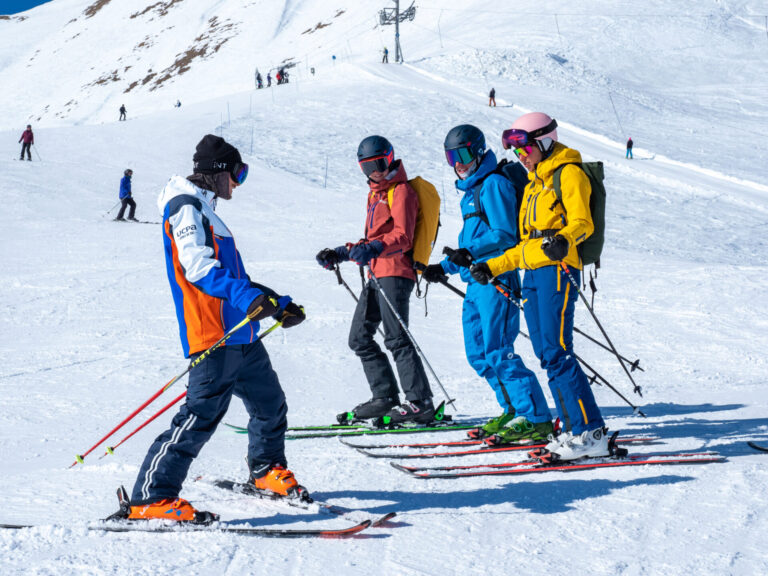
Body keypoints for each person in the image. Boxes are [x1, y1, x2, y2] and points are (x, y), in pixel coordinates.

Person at [123, 135, 307, 522]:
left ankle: (266, 470)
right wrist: (245, 299)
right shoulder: (186, 207)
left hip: (241, 335)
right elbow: (199, 268)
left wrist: (275, 304)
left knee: (270, 405)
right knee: (199, 417)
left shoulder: (206, 209)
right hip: (213, 334)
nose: (239, 182)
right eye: (237, 173)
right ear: (218, 172)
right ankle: (150, 497)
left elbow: (233, 274)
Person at [470, 112, 609, 460]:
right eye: (514, 148)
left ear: (545, 140)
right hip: (534, 273)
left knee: (557, 352)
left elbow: (582, 222)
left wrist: (563, 240)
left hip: (559, 269)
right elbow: (526, 244)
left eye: (524, 145)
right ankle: (573, 429)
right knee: (547, 355)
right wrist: (491, 266)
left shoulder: (569, 173)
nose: (520, 154)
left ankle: (589, 432)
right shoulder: (533, 183)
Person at [421, 125, 552, 443]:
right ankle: (512, 410)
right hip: (475, 282)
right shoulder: (471, 191)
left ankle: (535, 417)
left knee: (498, 349)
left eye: (463, 154)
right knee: (478, 353)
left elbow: (505, 235)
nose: (458, 163)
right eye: (452, 157)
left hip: (497, 277)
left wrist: (468, 253)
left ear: (478, 151)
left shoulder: (493, 184)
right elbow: (474, 243)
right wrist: (446, 267)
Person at [315, 136, 434, 425]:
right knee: (359, 338)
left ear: (390, 159)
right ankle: (385, 398)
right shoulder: (375, 195)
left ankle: (420, 402)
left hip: (396, 271)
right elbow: (374, 237)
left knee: (396, 338)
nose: (374, 172)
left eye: (378, 164)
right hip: (377, 273)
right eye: (366, 168)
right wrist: (342, 253)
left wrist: (373, 248)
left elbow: (403, 236)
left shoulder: (401, 191)